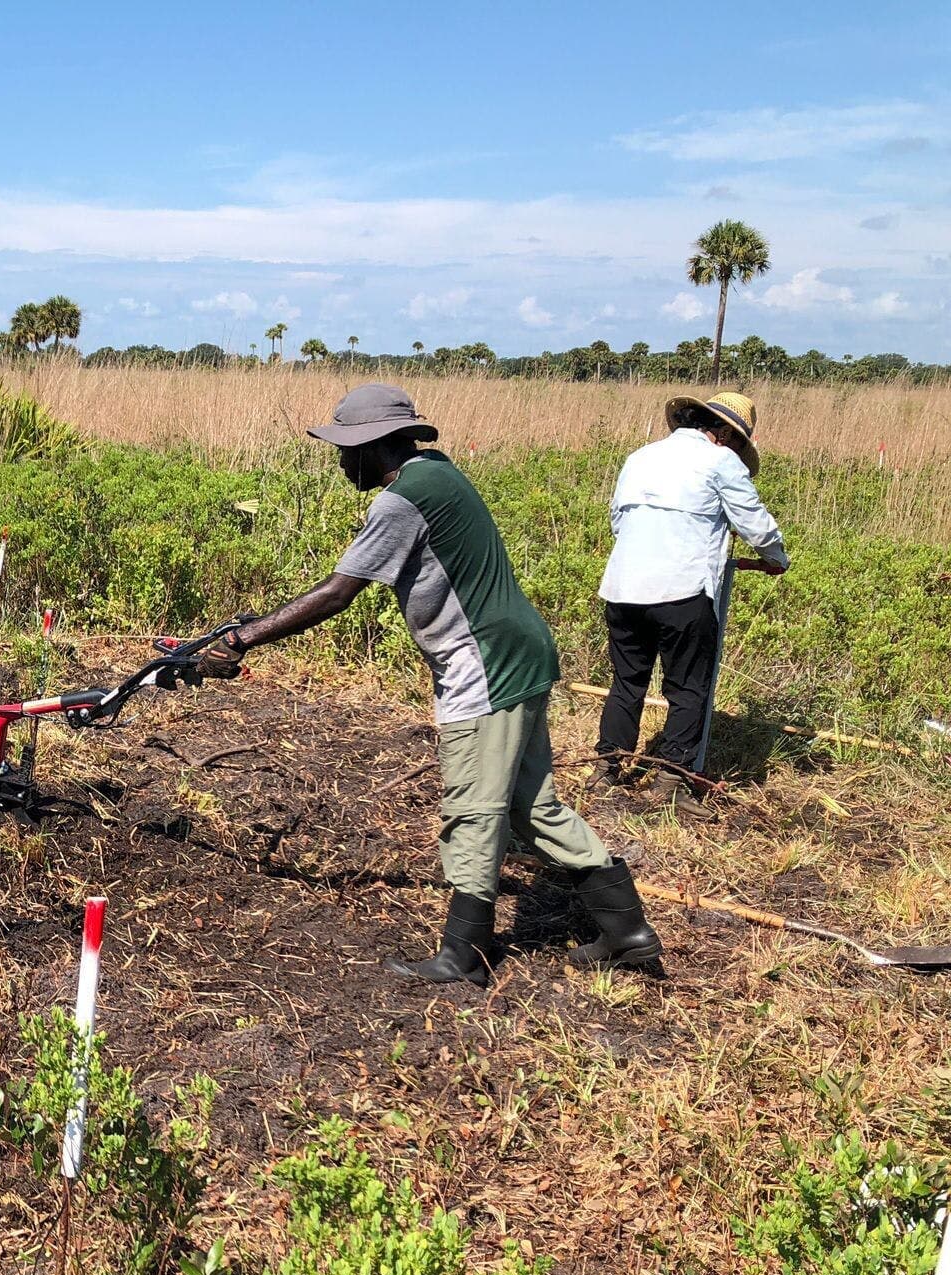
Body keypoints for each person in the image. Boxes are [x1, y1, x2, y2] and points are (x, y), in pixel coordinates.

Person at [199, 384, 658, 985]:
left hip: (486, 664)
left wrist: (240, 640)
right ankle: (628, 932)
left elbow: (338, 592)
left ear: (377, 445)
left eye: (346, 449)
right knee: (530, 804)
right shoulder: (436, 472)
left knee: (473, 808)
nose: (340, 461)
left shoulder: (401, 502)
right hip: (520, 650)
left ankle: (462, 956)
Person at [595, 391, 787, 793]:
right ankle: (672, 780)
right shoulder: (721, 462)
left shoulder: (640, 457)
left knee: (627, 683)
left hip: (623, 587)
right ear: (727, 435)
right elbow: (757, 527)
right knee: (688, 689)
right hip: (681, 591)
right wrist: (777, 558)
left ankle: (606, 769)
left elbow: (618, 521)